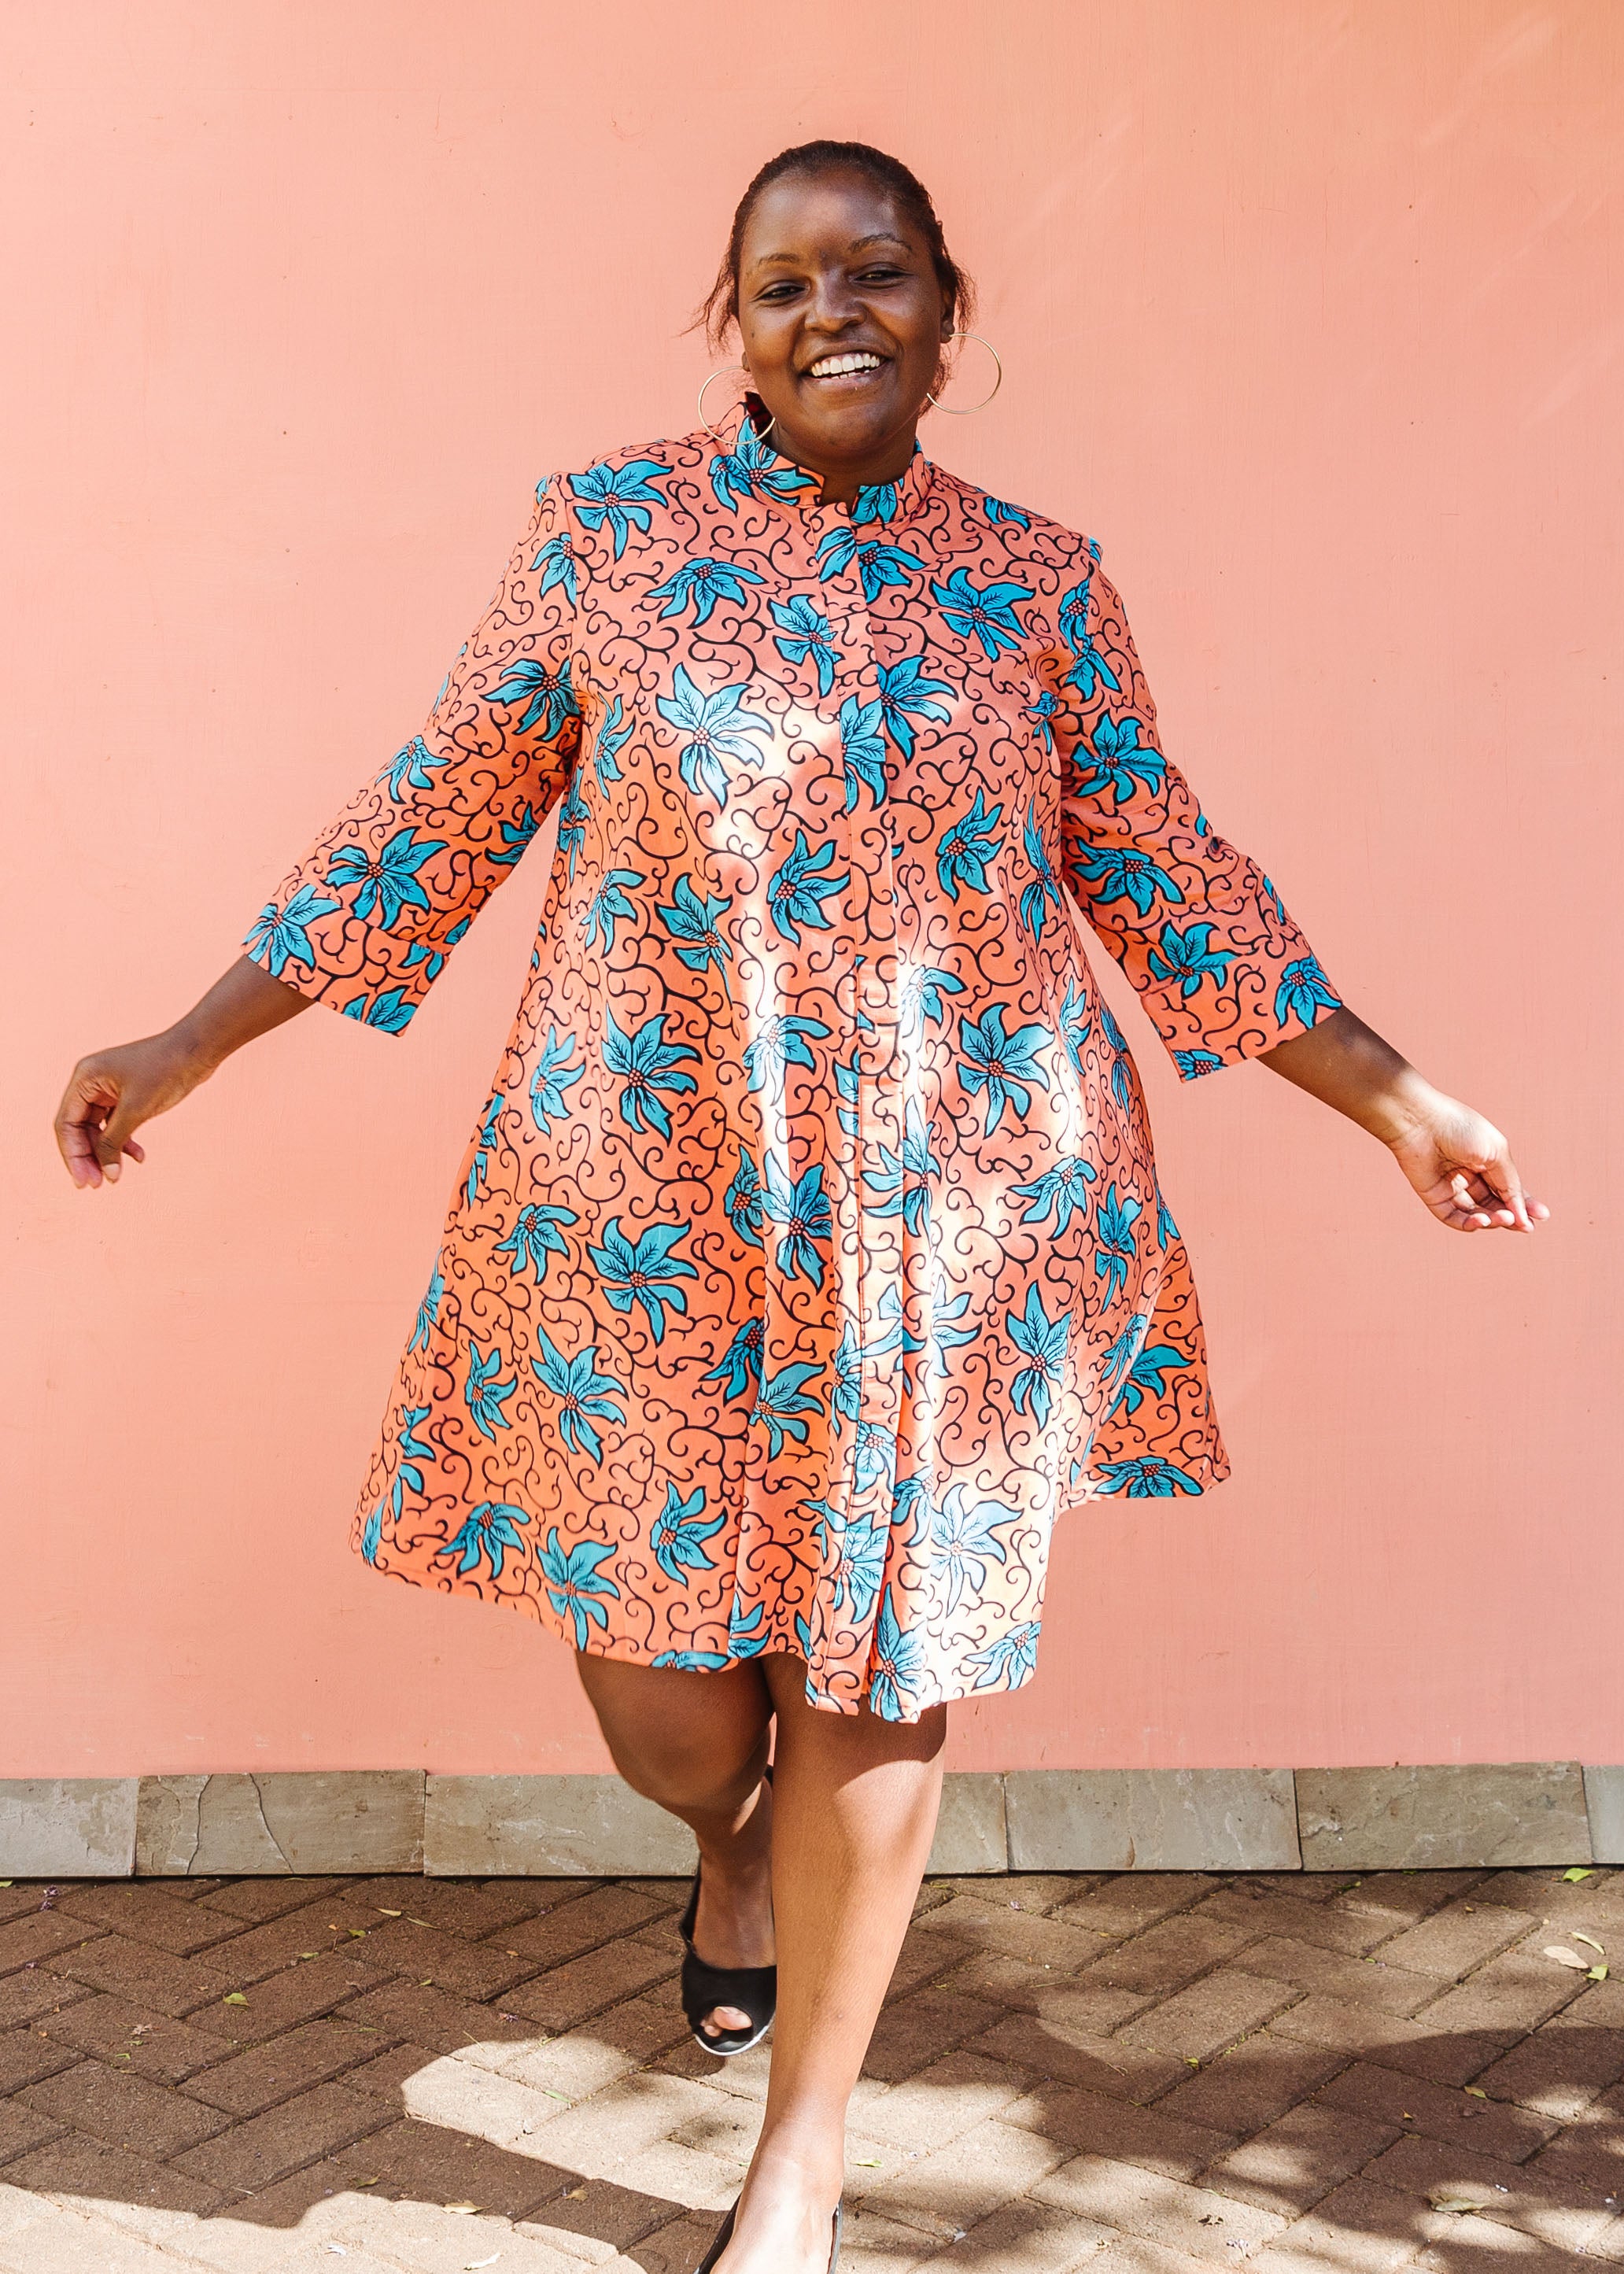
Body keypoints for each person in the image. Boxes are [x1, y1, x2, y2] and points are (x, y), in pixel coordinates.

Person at [54, 138, 1545, 2274]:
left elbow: (1169, 871)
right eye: (781, 284)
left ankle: (803, 2155)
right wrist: (191, 1039)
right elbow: (429, 820)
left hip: (953, 1226)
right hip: (646, 1209)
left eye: (874, 273)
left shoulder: (1038, 584)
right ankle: (726, 1849)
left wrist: (1399, 1102)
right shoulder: (606, 542)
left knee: (880, 1664)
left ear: (950, 304)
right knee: (675, 1713)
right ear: (730, 326)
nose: (830, 311)